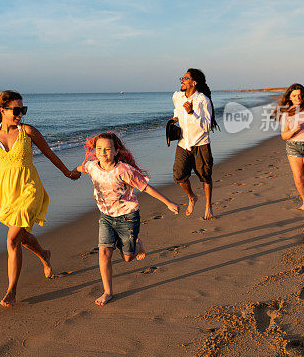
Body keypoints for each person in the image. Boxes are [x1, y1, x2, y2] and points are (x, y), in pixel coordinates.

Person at [0, 90, 80, 307]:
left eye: (23, 110)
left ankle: (11, 290)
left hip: (29, 189)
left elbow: (49, 153)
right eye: (16, 110)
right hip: (6, 192)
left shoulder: (28, 131)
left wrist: (68, 172)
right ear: (2, 110)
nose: (20, 114)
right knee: (21, 235)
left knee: (12, 239)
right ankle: (44, 254)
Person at [75, 132, 180, 306]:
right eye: (99, 149)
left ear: (116, 151)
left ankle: (137, 245)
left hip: (128, 217)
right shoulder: (92, 166)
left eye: (108, 149)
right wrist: (72, 172)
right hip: (106, 217)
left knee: (127, 258)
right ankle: (108, 292)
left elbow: (145, 187)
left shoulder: (124, 170)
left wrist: (167, 202)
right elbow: (82, 168)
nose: (103, 152)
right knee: (104, 252)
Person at [168, 68, 219, 220]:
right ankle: (192, 197)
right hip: (183, 143)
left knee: (205, 176)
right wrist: (173, 120)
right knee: (179, 174)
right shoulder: (177, 96)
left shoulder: (203, 100)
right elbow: (177, 111)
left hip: (200, 144)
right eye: (181, 78)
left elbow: (206, 126)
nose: (182, 81)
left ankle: (208, 207)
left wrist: (192, 113)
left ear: (194, 82)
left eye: (185, 78)